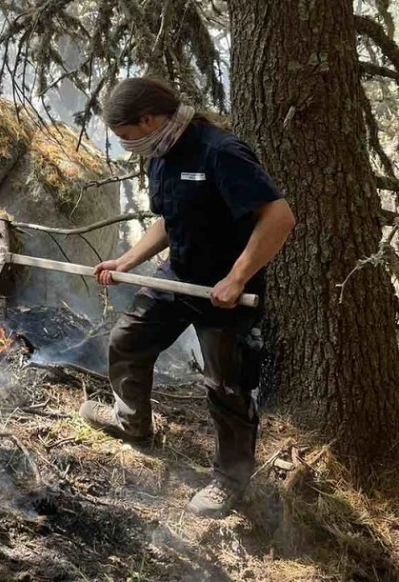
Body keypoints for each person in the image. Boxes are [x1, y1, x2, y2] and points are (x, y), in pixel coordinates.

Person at [81, 77, 296, 518]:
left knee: (227, 386)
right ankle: (132, 424)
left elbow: (279, 217)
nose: (126, 146)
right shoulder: (159, 153)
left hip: (227, 292)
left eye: (126, 135)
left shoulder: (220, 151)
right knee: (128, 340)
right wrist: (127, 260)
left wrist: (237, 278)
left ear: (149, 119)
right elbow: (168, 219)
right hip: (178, 275)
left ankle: (230, 482)